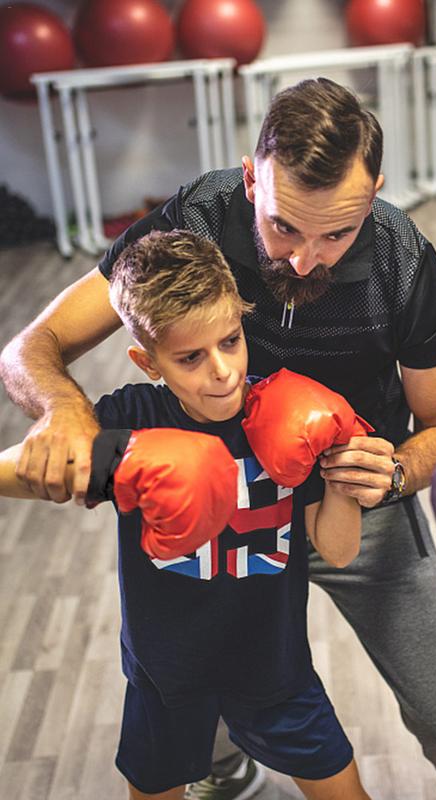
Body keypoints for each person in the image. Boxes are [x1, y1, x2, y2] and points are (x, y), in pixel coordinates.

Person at [0, 78, 436, 799]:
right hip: (224, 503)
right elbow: (34, 344)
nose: (306, 260)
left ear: (376, 193)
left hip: (350, 497)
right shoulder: (196, 222)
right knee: (190, 659)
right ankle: (225, 764)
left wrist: (389, 472)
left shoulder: (403, 260)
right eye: (283, 228)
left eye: (337, 232)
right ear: (249, 179)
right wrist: (69, 416)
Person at [0, 229, 373, 799]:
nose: (221, 371)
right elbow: (24, 469)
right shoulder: (131, 422)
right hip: (167, 676)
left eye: (230, 341)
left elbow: (340, 551)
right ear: (147, 361)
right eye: (190, 357)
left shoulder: (287, 415)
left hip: (275, 669)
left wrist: (342, 469)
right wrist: (92, 453)